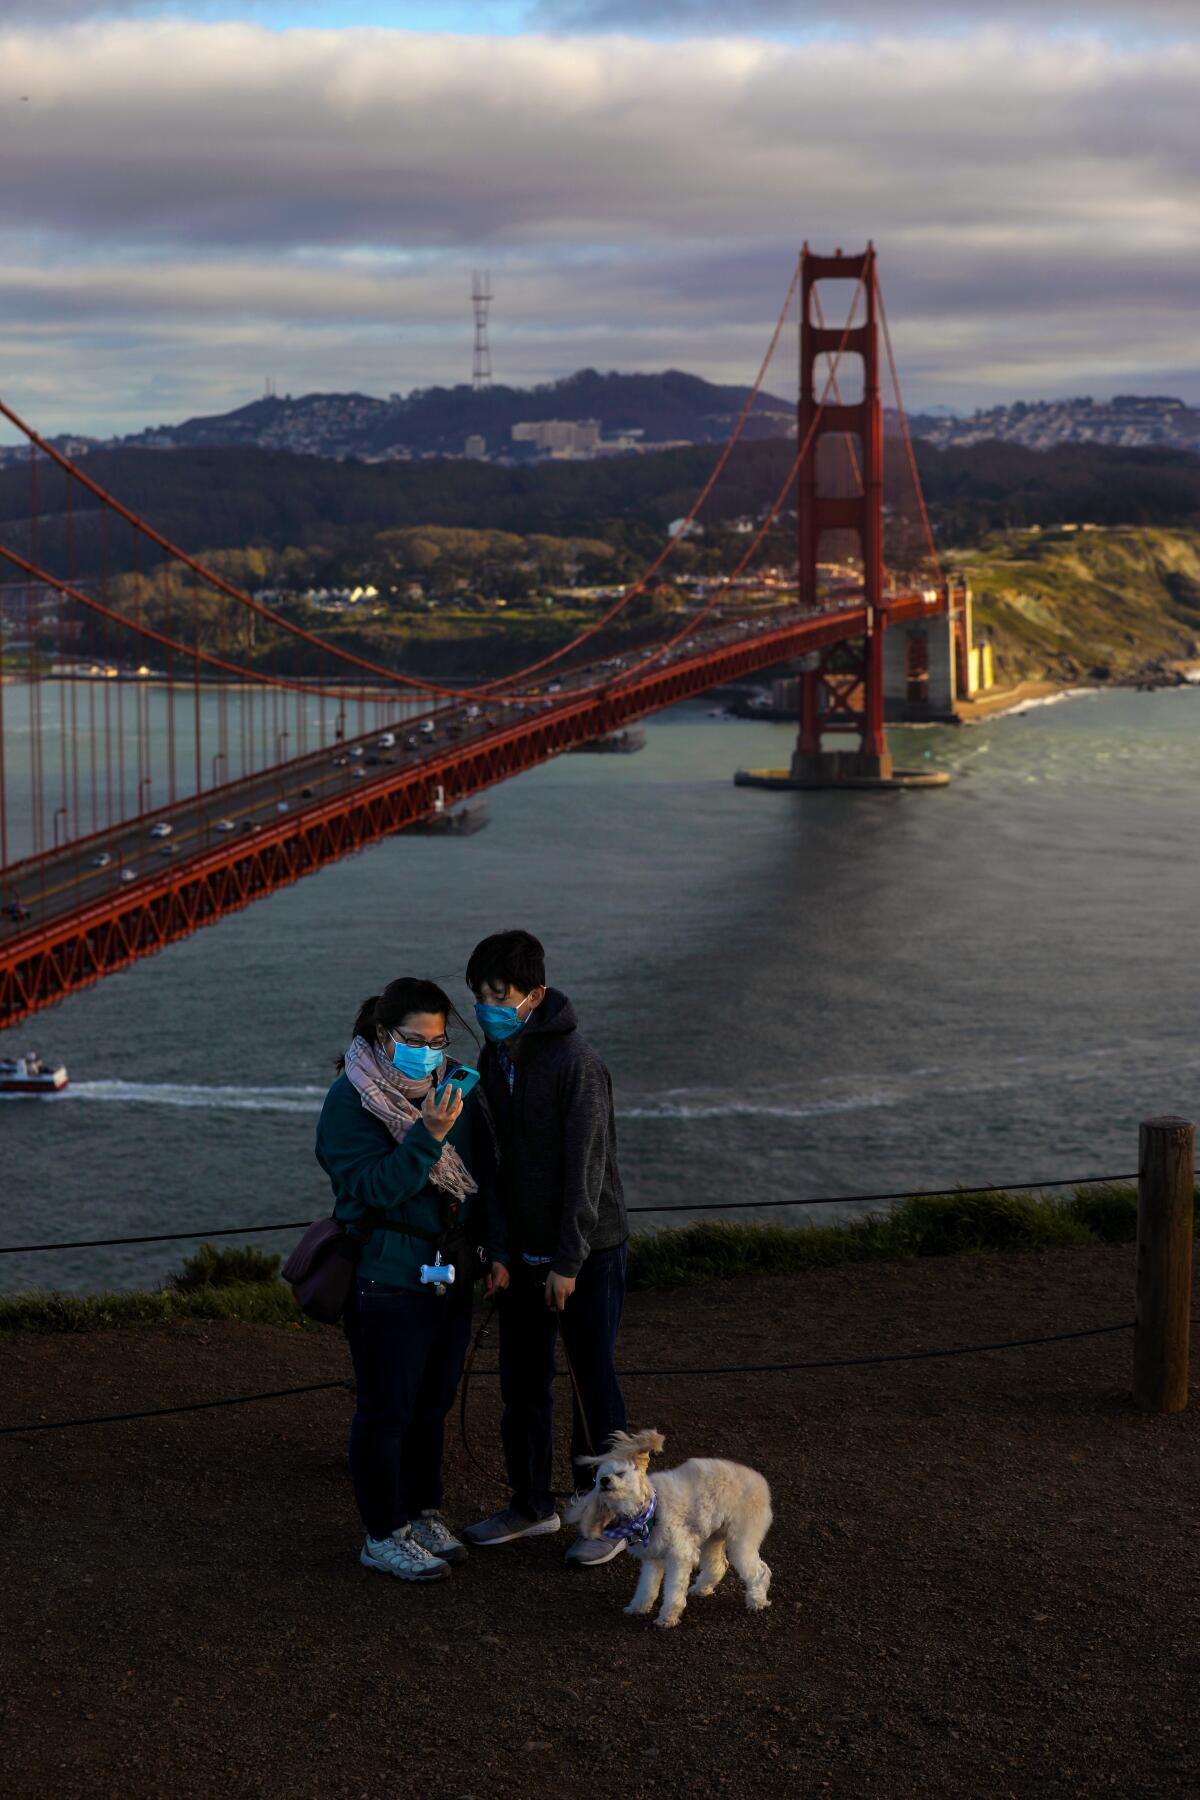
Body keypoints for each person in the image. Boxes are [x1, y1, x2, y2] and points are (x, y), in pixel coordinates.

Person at [315, 976, 509, 1583]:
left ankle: (422, 1513)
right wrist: (427, 1135)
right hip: (386, 1276)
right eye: (413, 1039)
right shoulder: (351, 1100)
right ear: (381, 1034)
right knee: (385, 1409)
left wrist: (495, 1249)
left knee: (432, 1405)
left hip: (451, 1271)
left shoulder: (453, 1088)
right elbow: (373, 1188)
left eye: (438, 1040)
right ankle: (382, 1533)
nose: (429, 1052)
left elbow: (482, 1178)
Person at [460, 929, 629, 1568]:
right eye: (478, 995)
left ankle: (609, 1516)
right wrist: (501, 1250)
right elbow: (495, 1171)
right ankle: (533, 1504)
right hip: (522, 1254)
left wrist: (567, 1261)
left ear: (534, 994)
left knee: (594, 1387)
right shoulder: (494, 1064)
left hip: (587, 1252)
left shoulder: (576, 1062)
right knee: (522, 1384)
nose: (485, 1006)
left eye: (498, 994)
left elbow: (587, 1170)